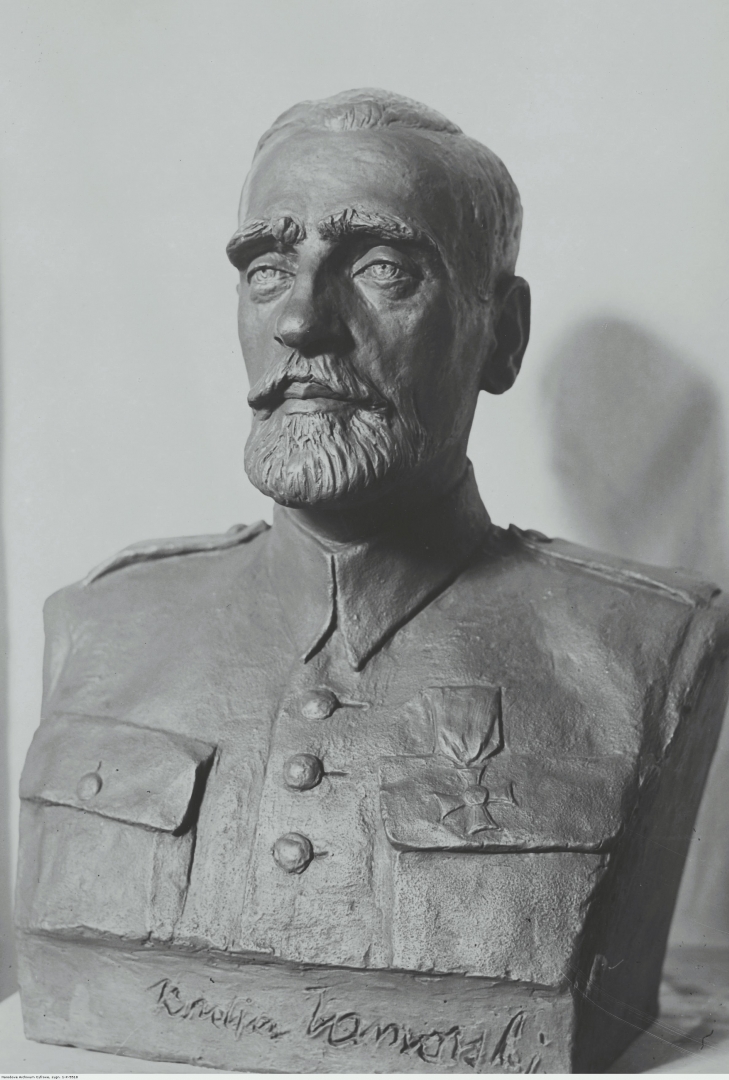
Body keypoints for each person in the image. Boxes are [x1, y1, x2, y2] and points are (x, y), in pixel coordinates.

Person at [15, 89, 729, 1073]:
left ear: (501, 334)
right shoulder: (103, 621)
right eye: (267, 270)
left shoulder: (645, 643)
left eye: (383, 269)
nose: (301, 320)